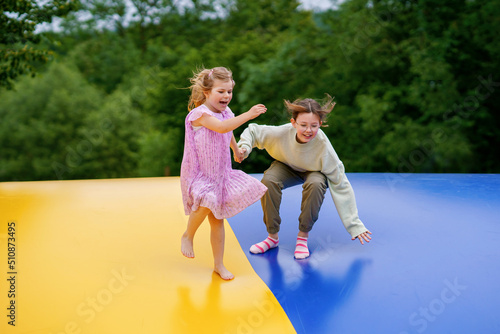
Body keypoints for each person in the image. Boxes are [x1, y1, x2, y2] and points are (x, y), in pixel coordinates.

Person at [237, 94, 372, 259]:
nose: (308, 130)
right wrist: (244, 148)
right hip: (286, 165)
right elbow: (253, 131)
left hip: (313, 171)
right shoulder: (281, 133)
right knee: (268, 181)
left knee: (316, 184)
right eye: (303, 125)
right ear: (293, 123)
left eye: (314, 126)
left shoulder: (323, 147)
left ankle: (302, 237)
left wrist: (354, 225)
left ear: (320, 125)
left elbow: (341, 184)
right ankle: (272, 237)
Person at [180, 66, 268, 280]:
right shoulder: (199, 114)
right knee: (206, 200)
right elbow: (220, 127)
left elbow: (227, 131)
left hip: (220, 174)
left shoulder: (225, 113)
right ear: (207, 92)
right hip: (200, 174)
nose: (226, 96)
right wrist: (249, 115)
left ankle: (218, 265)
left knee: (217, 220)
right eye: (221, 91)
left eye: (229, 91)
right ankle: (188, 235)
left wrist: (236, 150)